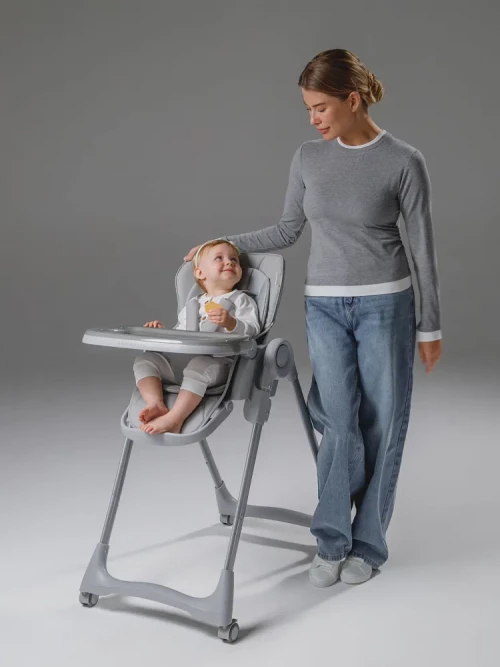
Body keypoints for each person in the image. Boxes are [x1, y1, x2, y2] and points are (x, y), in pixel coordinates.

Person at [184, 49, 442, 587]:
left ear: (354, 100)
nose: (313, 119)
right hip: (323, 307)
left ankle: (367, 546)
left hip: (386, 305)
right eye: (308, 109)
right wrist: (219, 243)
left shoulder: (404, 161)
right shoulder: (308, 158)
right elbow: (287, 229)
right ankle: (331, 540)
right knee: (338, 422)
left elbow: (422, 249)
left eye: (321, 107)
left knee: (382, 425)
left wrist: (430, 325)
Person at [133, 239, 260, 435]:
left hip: (218, 366)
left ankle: (174, 419)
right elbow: (181, 335)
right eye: (219, 258)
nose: (229, 262)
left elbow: (253, 330)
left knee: (200, 364)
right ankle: (155, 403)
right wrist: (161, 332)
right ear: (200, 273)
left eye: (234, 259)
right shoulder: (193, 304)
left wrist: (231, 323)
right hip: (183, 363)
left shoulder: (241, 300)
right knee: (145, 360)